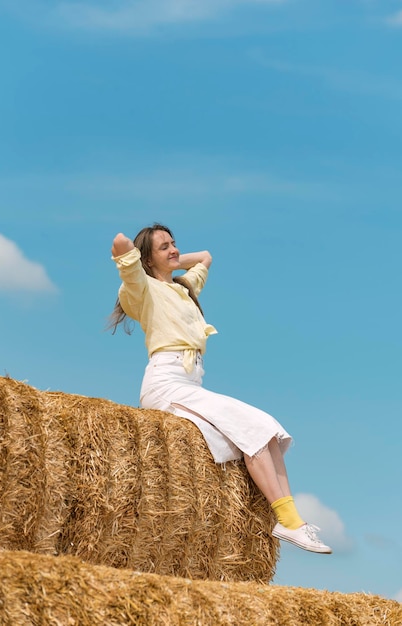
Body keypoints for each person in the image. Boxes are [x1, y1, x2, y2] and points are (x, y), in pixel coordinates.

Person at [109, 223, 332, 554]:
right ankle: (289, 521)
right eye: (164, 247)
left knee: (267, 431)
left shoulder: (184, 289)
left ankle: (292, 520)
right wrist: (139, 257)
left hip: (190, 382)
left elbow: (206, 258)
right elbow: (120, 245)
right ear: (147, 259)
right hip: (167, 383)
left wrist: (169, 257)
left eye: (175, 244)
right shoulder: (141, 290)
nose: (174, 250)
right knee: (252, 429)